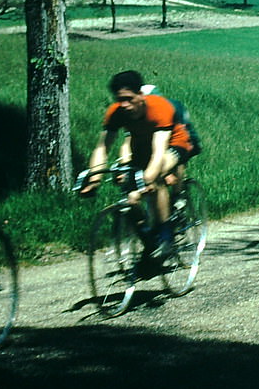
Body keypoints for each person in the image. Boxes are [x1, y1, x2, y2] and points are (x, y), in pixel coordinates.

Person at [79, 70, 196, 260]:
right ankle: (150, 241)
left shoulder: (160, 108)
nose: (124, 105)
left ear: (141, 95)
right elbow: (102, 148)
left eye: (129, 98)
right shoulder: (115, 112)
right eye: (119, 99)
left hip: (174, 143)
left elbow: (159, 152)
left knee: (154, 179)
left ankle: (166, 239)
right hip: (142, 146)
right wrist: (94, 179)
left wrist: (147, 180)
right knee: (129, 197)